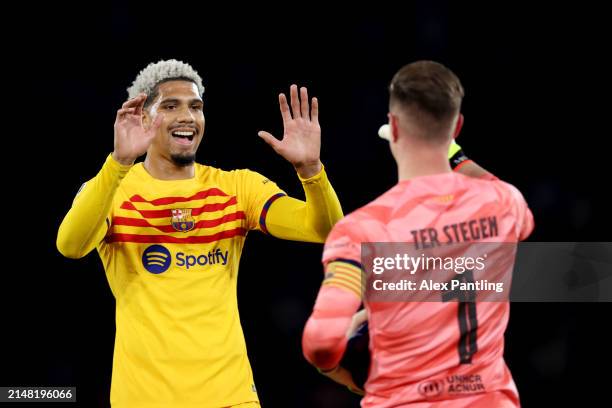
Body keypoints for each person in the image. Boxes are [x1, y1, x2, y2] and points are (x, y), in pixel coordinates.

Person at [56, 59, 343, 408]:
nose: (187, 117)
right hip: (144, 399)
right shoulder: (112, 190)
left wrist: (311, 171)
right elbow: (70, 246)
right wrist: (118, 162)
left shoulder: (237, 187)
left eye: (195, 107)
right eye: (171, 106)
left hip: (230, 397)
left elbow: (325, 230)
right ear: (144, 118)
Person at [302, 60, 534, 407]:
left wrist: (341, 361)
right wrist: (453, 153)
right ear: (457, 126)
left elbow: (321, 342)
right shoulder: (504, 203)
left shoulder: (362, 229)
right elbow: (509, 200)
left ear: (393, 126)